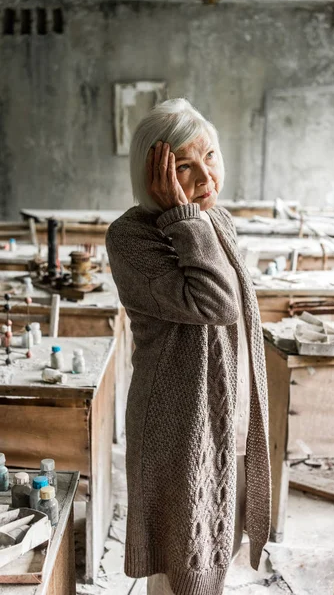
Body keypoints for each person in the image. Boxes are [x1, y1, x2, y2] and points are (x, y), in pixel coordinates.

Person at [106, 98, 271, 595]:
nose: (205, 178)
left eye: (211, 157)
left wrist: (191, 216)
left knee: (218, 544)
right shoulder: (131, 237)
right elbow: (216, 302)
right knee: (178, 565)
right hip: (178, 425)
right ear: (153, 174)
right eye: (183, 167)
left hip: (230, 412)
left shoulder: (214, 220)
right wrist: (183, 216)